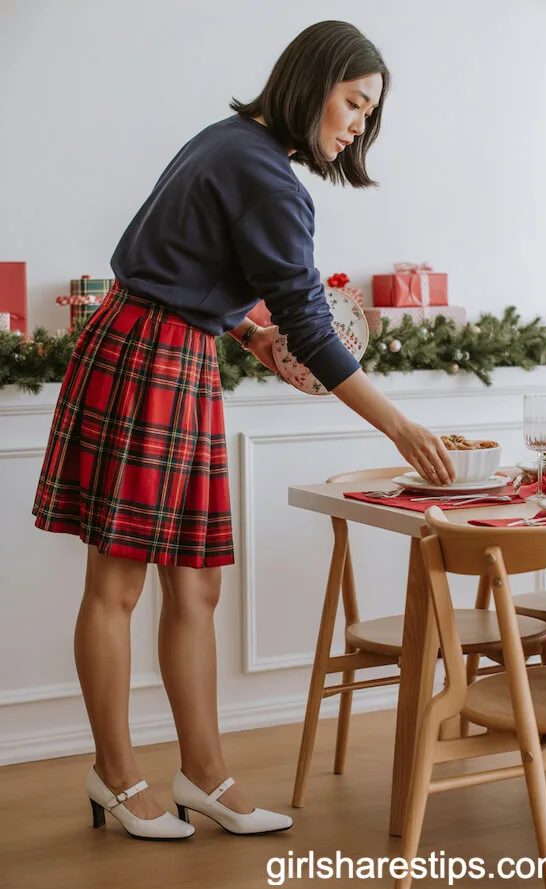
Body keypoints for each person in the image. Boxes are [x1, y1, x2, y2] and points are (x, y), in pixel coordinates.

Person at [32, 20, 455, 842]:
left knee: (196, 584)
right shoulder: (265, 176)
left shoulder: (233, 142)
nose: (358, 123)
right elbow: (309, 321)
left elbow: (183, 262)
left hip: (173, 353)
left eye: (370, 113)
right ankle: (115, 776)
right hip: (150, 360)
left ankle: (206, 777)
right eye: (353, 102)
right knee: (116, 586)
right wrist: (400, 426)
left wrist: (243, 331)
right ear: (314, 82)